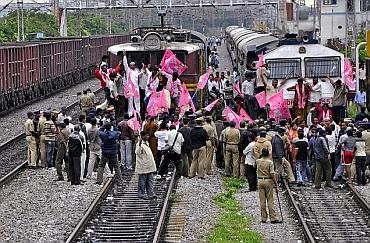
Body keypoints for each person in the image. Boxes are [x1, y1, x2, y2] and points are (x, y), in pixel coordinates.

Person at [255, 148, 281, 224]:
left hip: (260, 181)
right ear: (268, 154)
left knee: (262, 200)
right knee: (270, 199)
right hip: (268, 181)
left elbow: (254, 166)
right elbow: (272, 174)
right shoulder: (270, 162)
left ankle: (263, 218)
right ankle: (273, 218)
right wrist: (276, 184)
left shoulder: (258, 161)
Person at [135, 131, 157, 199]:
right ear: (142, 136)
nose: (147, 137)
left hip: (149, 165)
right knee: (142, 181)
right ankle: (141, 194)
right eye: (146, 136)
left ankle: (151, 193)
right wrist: (139, 145)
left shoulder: (146, 143)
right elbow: (137, 152)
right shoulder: (139, 144)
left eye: (148, 135)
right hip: (143, 166)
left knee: (150, 180)